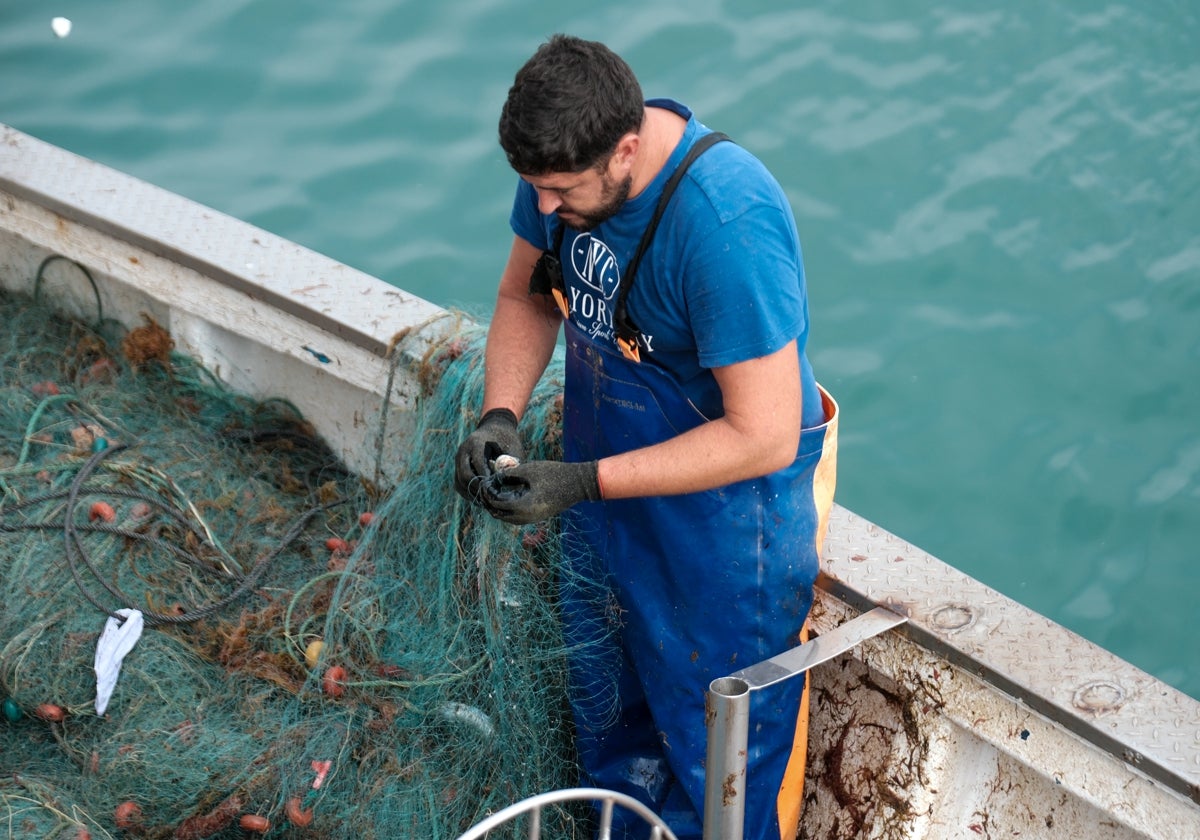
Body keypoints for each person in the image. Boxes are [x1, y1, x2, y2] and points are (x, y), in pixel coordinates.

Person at [454, 34, 838, 840]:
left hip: (726, 538)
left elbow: (763, 434)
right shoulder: (561, 171)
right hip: (604, 501)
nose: (545, 208)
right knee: (608, 724)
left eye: (559, 191)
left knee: (719, 779)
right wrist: (500, 413)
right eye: (534, 189)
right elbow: (527, 297)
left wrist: (579, 482)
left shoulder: (725, 223)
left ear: (626, 149)